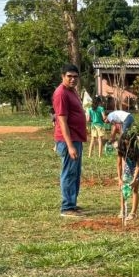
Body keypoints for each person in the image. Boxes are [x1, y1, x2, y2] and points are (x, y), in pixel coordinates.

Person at [53, 64, 87, 217]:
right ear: (63, 76)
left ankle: (72, 204)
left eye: (75, 76)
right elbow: (62, 121)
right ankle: (67, 208)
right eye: (69, 76)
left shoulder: (71, 91)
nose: (73, 79)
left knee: (75, 173)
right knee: (68, 173)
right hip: (69, 140)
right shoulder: (61, 93)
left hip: (76, 138)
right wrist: (70, 145)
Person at [116, 131, 139, 221]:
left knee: (135, 189)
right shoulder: (121, 148)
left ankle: (133, 212)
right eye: (125, 142)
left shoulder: (137, 150)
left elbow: (138, 166)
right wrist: (120, 179)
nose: (127, 144)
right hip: (128, 167)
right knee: (123, 188)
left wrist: (134, 180)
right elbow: (119, 165)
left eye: (129, 142)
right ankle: (122, 210)